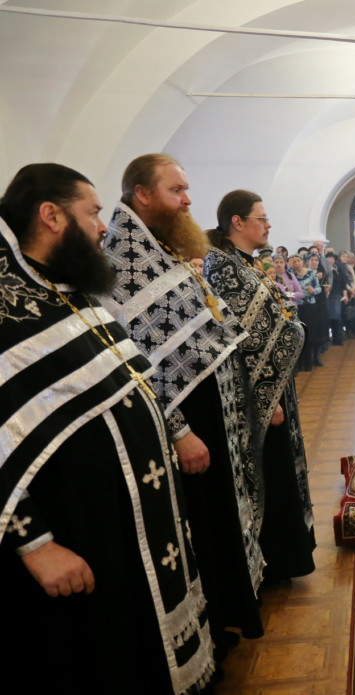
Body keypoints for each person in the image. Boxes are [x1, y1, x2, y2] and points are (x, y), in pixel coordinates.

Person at [0, 163, 215, 694]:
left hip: (135, 517)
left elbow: (135, 378)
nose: (103, 226)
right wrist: (36, 545)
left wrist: (175, 432)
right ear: (51, 215)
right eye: (93, 212)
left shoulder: (73, 291)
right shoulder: (8, 309)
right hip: (77, 523)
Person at [104, 154, 263, 656]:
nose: (189, 200)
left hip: (213, 420)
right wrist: (177, 428)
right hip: (186, 426)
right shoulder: (120, 261)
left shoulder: (164, 248)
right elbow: (133, 358)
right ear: (142, 194)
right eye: (177, 190)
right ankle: (212, 627)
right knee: (200, 529)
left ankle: (231, 611)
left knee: (219, 524)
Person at [204, 190, 315, 582]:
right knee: (266, 472)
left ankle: (287, 555)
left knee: (282, 469)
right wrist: (263, 397)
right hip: (256, 395)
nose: (268, 225)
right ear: (238, 221)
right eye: (261, 218)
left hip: (275, 387)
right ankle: (274, 560)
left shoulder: (243, 263)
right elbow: (240, 341)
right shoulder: (222, 266)